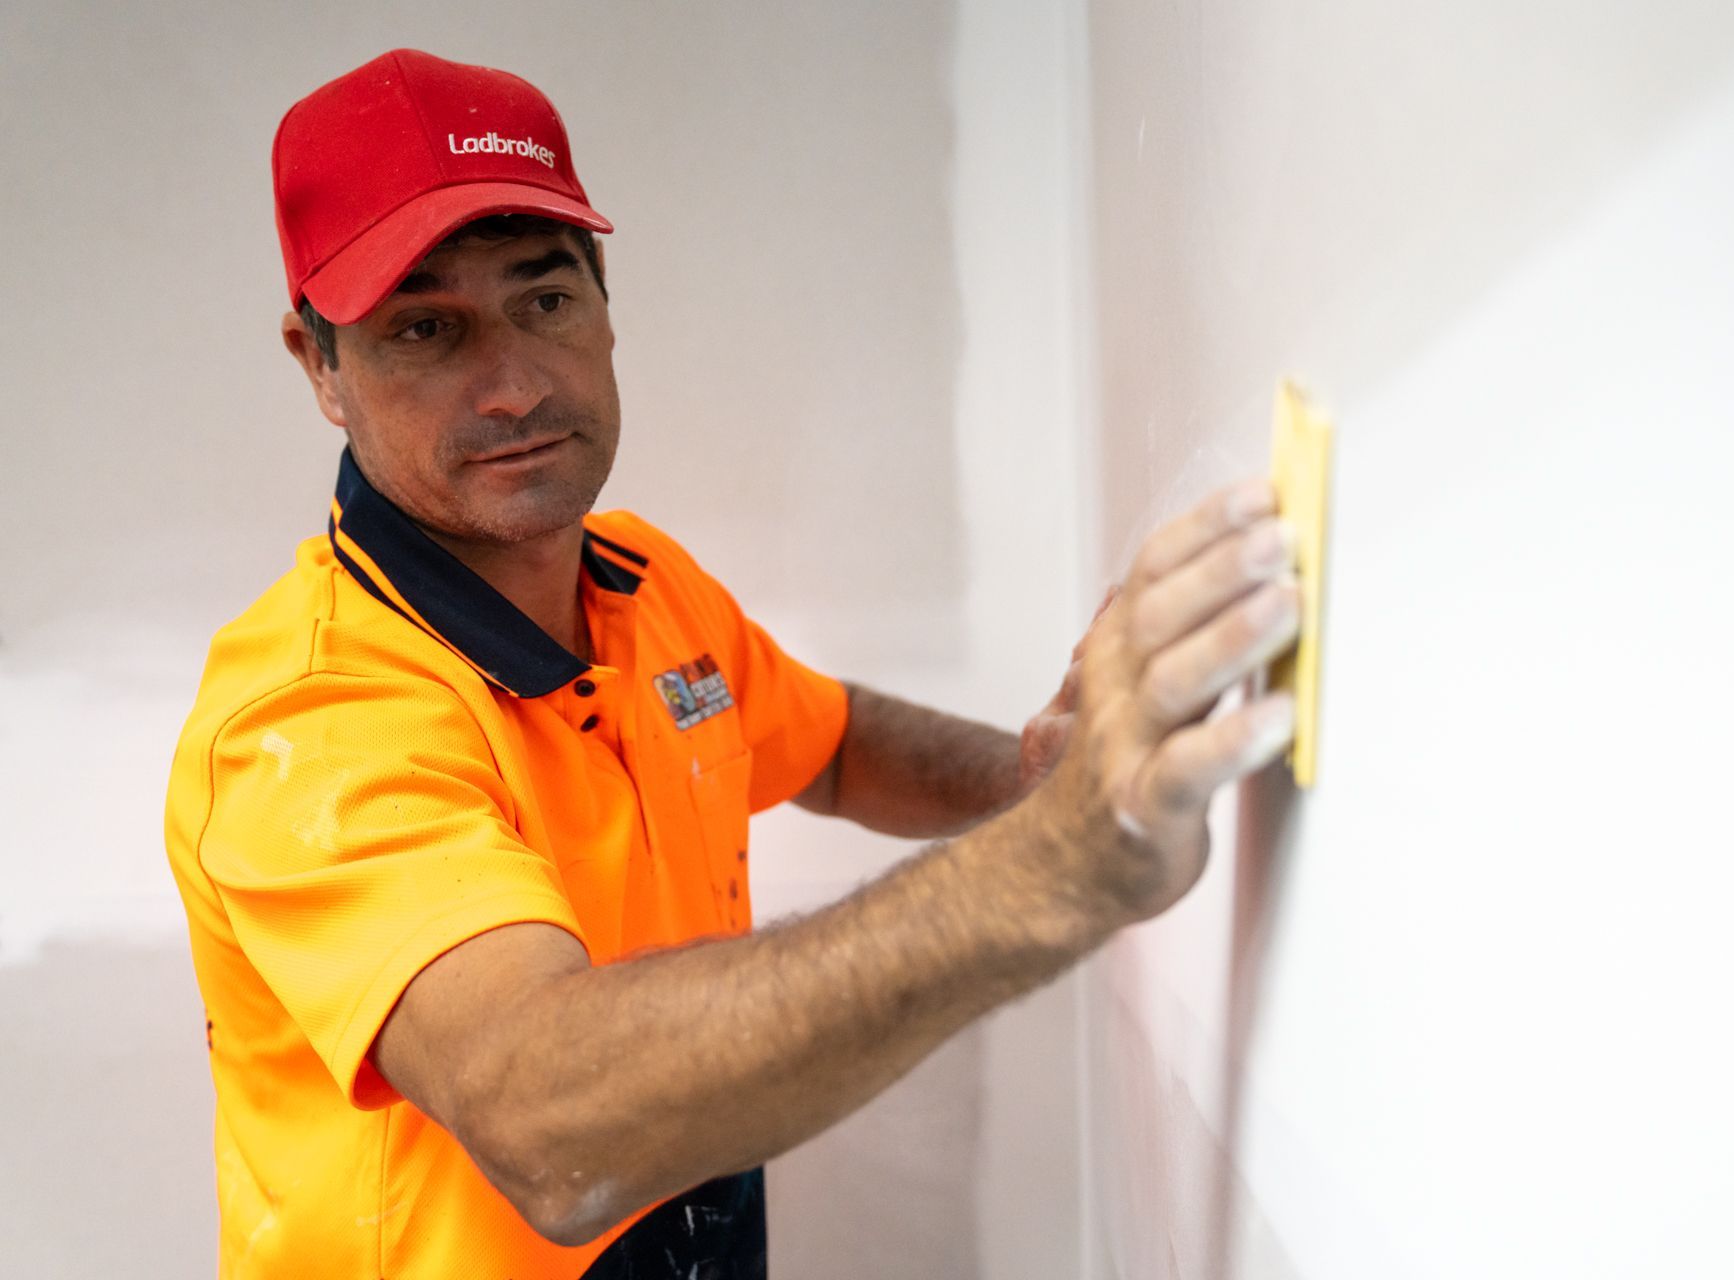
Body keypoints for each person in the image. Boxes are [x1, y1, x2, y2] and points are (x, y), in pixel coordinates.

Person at [163, 47, 1302, 1279]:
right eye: (424, 329)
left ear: (605, 301)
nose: (512, 386)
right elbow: (548, 1123)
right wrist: (1051, 864)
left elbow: (831, 740)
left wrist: (1025, 780)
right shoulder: (310, 721)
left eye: (544, 298)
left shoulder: (645, 584)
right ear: (319, 365)